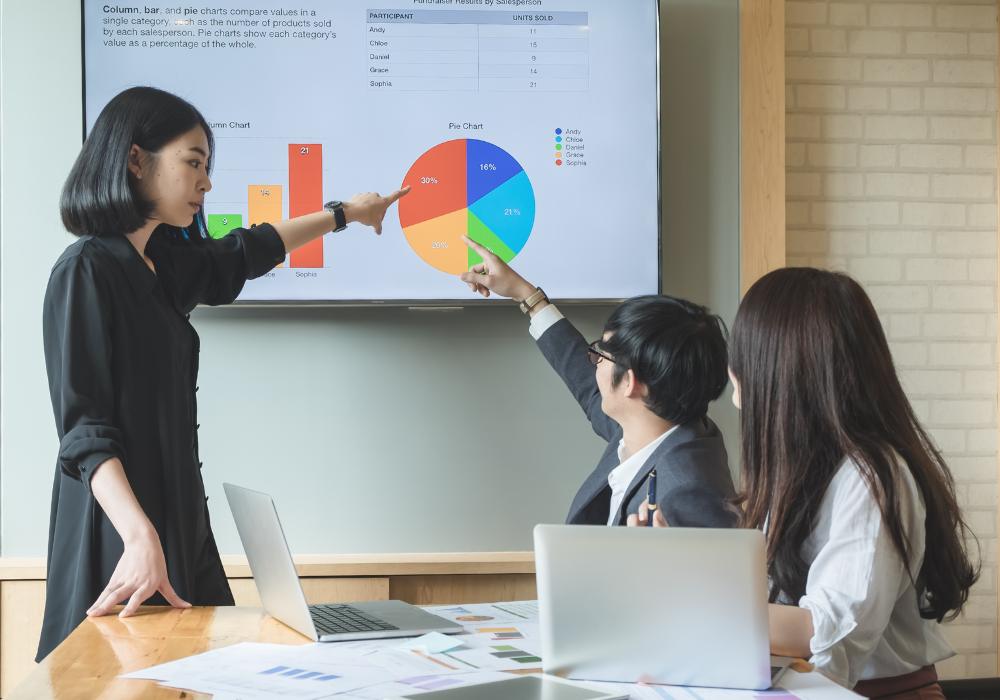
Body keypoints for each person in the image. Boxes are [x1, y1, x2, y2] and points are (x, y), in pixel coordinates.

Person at [38, 86, 408, 660]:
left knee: (204, 673)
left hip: (177, 520)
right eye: (193, 163)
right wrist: (139, 537)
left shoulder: (163, 263)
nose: (206, 183)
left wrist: (344, 214)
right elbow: (85, 431)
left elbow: (243, 252)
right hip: (121, 531)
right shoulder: (86, 269)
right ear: (136, 160)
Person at [631, 268, 978, 698]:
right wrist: (680, 568)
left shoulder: (872, 478)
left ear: (776, 369)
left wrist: (691, 594)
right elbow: (779, 606)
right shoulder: (803, 468)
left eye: (743, 355)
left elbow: (827, 631)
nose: (733, 373)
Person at [460, 237, 737, 527]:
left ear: (630, 383)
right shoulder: (658, 425)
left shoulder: (688, 493)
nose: (593, 364)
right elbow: (587, 384)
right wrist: (526, 295)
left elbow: (706, 572)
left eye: (599, 355)